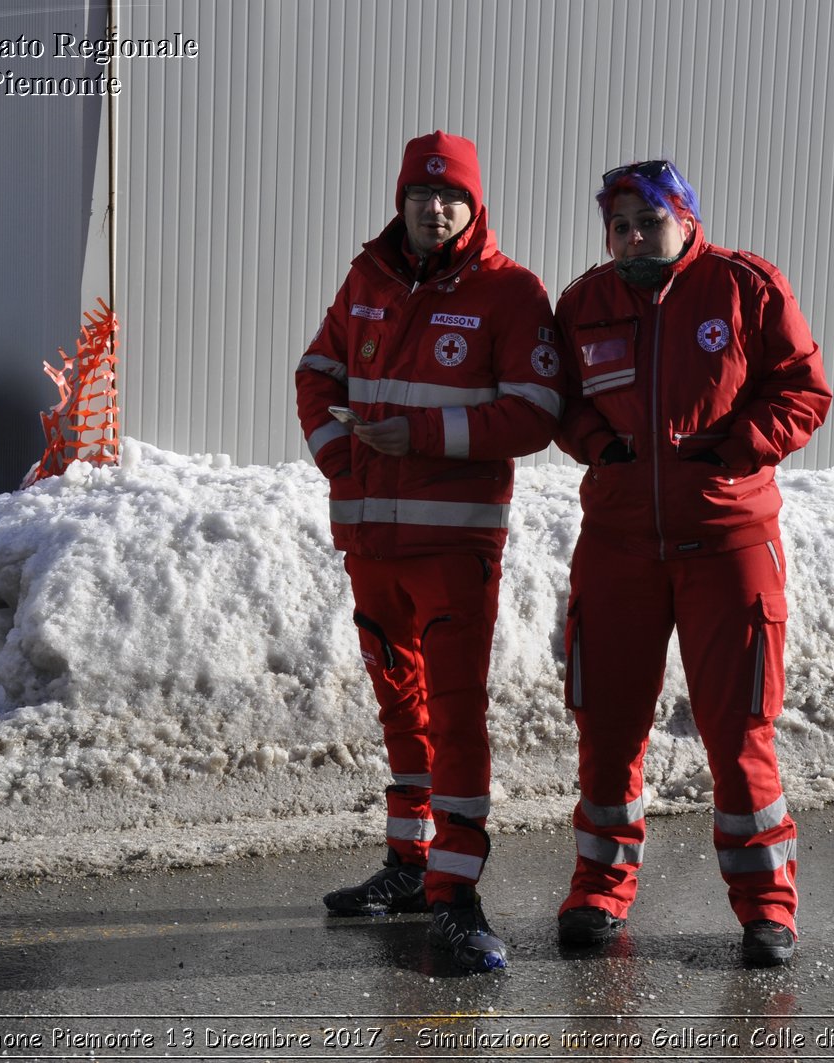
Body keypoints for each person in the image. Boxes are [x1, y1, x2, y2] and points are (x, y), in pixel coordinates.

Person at [294, 131, 562, 973]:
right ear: (402, 199)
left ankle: (456, 893)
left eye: (451, 198)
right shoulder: (369, 277)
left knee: (454, 718)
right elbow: (315, 371)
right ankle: (409, 865)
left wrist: (420, 435)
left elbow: (535, 411)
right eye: (421, 196)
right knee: (399, 709)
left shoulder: (510, 293)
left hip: (453, 549)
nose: (435, 210)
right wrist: (343, 458)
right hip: (372, 542)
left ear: (474, 205)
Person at [552, 160, 831, 967]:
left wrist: (740, 448)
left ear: (685, 218)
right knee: (606, 728)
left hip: (728, 546)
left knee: (737, 732)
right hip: (618, 548)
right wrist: (596, 442)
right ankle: (598, 890)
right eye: (620, 225)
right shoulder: (584, 303)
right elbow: (559, 397)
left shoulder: (746, 287)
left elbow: (803, 389)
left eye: (650, 220)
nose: (634, 236)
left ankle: (768, 908)